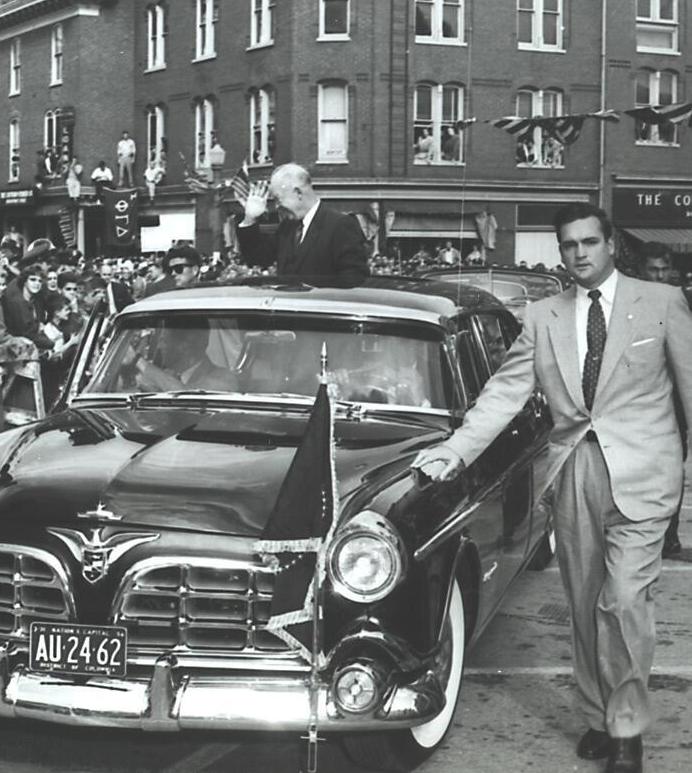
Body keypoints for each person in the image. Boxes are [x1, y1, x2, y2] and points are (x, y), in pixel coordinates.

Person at [412, 203, 692, 773]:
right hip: (574, 474)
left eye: (591, 241)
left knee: (623, 601)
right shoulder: (542, 317)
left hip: (645, 477)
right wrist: (453, 451)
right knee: (587, 603)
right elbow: (501, 396)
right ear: (560, 252)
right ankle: (598, 714)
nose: (581, 253)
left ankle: (626, 730)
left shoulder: (661, 303)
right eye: (570, 245)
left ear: (612, 244)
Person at [236, 163, 367, 287]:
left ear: (298, 192)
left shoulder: (340, 225)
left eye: (278, 198)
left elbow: (354, 281)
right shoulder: (287, 227)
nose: (276, 206)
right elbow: (258, 259)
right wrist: (249, 219)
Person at [638, 241, 687, 558]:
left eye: (664, 269)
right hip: (638, 403)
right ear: (641, 270)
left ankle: (668, 536)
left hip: (675, 405)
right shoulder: (630, 301)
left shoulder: (681, 301)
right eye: (653, 269)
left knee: (672, 470)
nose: (659, 275)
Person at [131, 324, 240, 393]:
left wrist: (136, 359)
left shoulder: (224, 379)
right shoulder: (168, 375)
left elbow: (187, 397)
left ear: (183, 346)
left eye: (164, 341)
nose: (160, 346)